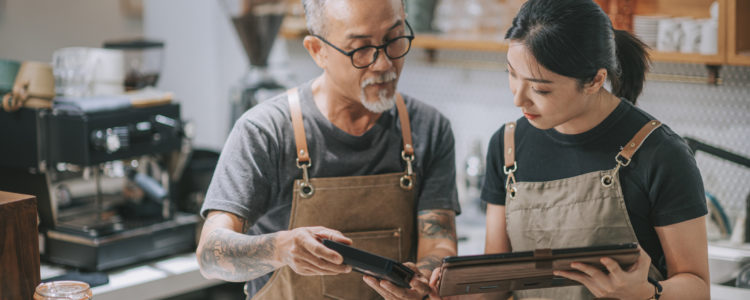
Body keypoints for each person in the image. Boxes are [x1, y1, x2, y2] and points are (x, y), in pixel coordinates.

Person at [196, 0, 460, 299]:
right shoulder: (265, 131)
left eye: (394, 39)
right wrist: (281, 248)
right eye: (360, 48)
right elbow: (209, 255)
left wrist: (422, 281)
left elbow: (439, 240)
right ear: (317, 51)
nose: (385, 63)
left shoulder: (428, 127)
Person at [478, 0, 709, 299]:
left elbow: (699, 288)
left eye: (541, 89)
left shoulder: (660, 153)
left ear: (595, 80)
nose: (518, 99)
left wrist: (646, 292)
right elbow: (495, 284)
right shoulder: (507, 145)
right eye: (511, 74)